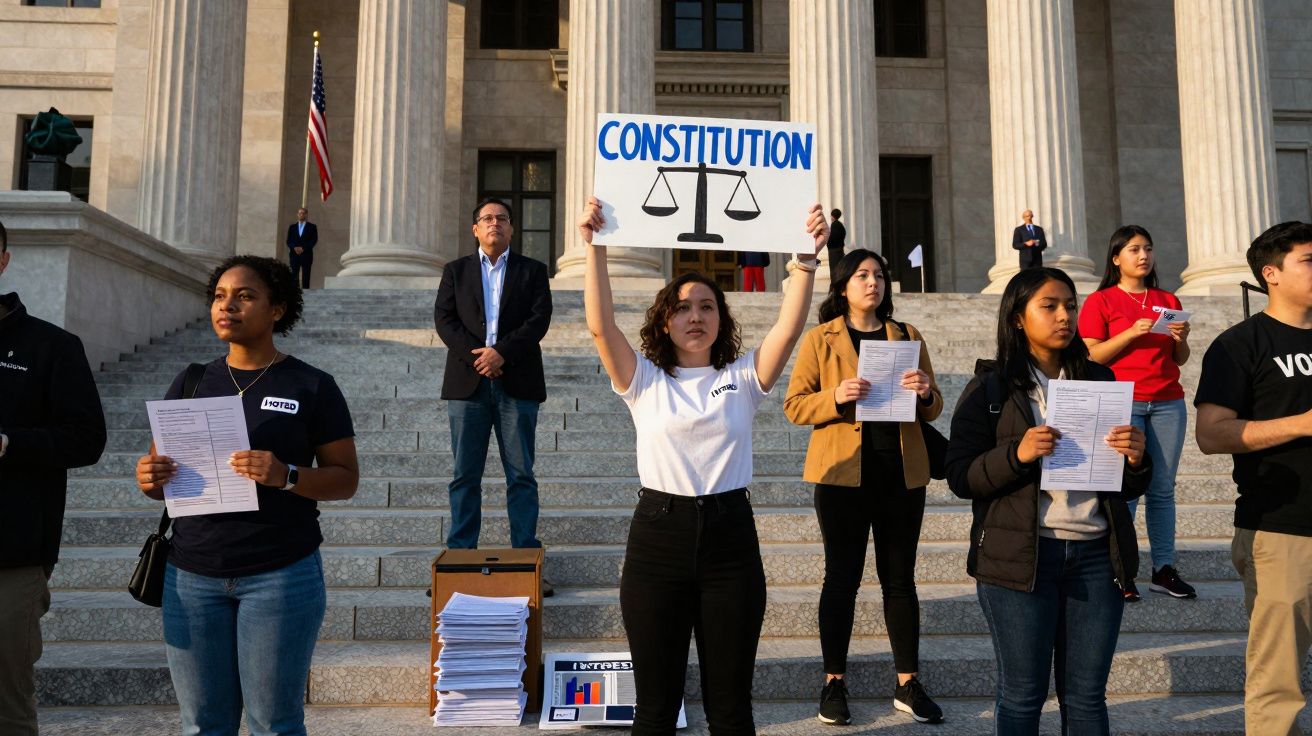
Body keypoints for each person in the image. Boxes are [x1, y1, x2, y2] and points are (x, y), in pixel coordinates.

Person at [579, 194, 828, 735]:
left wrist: (806, 260)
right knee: (655, 707)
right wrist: (594, 247)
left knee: (731, 707)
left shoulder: (742, 378)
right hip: (657, 542)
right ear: (665, 321)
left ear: (721, 319)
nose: (695, 316)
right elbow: (600, 327)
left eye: (707, 306)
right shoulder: (643, 379)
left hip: (729, 541)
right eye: (683, 307)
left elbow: (788, 329)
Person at [134, 255, 359, 735]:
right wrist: (149, 477)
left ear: (277, 309)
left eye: (244, 296)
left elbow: (345, 478)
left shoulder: (312, 385)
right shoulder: (191, 381)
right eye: (219, 296)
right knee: (202, 726)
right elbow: (159, 482)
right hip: (191, 576)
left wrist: (287, 475)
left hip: (280, 575)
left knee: (274, 724)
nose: (227, 306)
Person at [945, 267, 1149, 735]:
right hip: (1021, 558)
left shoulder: (1100, 379)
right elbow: (960, 475)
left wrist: (1137, 459)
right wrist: (1016, 455)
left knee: (1087, 698)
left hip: (1097, 556)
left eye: (1071, 306)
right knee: (1022, 696)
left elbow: (1128, 485)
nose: (1064, 316)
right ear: (1018, 317)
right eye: (1050, 306)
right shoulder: (992, 388)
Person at [784, 248, 945, 726]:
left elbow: (934, 407)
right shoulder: (820, 338)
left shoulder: (907, 335)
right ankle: (834, 681)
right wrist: (836, 396)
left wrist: (926, 393)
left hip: (901, 474)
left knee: (901, 580)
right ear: (843, 286)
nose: (873, 282)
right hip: (842, 477)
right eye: (861, 275)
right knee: (841, 579)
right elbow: (795, 405)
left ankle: (907, 682)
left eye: (879, 275)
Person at [1195, 221, 1312, 736]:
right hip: (1284, 529)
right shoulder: (1239, 344)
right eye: (1309, 260)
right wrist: (1302, 424)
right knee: (1278, 683)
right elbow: (1211, 434)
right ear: (1271, 273)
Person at [0, 221, 107, 736]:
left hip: (12, 553)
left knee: (7, 705)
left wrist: (8, 444)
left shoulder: (51, 346)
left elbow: (86, 439)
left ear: (3, 261)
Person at [433, 198, 553, 564]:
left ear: (512, 228)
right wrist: (481, 358)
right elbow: (444, 320)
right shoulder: (455, 271)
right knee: (464, 475)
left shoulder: (533, 271)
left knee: (521, 474)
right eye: (487, 218)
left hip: (517, 383)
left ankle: (527, 558)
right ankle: (459, 556)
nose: (494, 223)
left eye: (502, 218)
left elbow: (539, 319)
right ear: (475, 229)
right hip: (467, 385)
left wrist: (502, 353)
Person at [1079, 225, 1195, 602]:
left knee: (1162, 489)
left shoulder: (1167, 299)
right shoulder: (1101, 301)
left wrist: (1182, 340)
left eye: (1148, 248)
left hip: (1167, 401)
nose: (1143, 255)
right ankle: (1122, 570)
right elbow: (1092, 355)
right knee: (1124, 489)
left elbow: (1180, 358)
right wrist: (1130, 333)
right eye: (1133, 249)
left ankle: (1164, 569)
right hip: (1122, 401)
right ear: (1116, 258)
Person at [285, 207, 318, 289]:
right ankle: (294, 291)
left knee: (306, 273)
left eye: (303, 213)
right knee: (294, 274)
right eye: (300, 213)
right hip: (294, 254)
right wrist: (294, 248)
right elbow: (289, 241)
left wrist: (303, 248)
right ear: (297, 214)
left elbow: (313, 240)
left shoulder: (312, 227)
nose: (301, 215)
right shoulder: (292, 227)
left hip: (306, 254)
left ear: (306, 215)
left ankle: (306, 291)